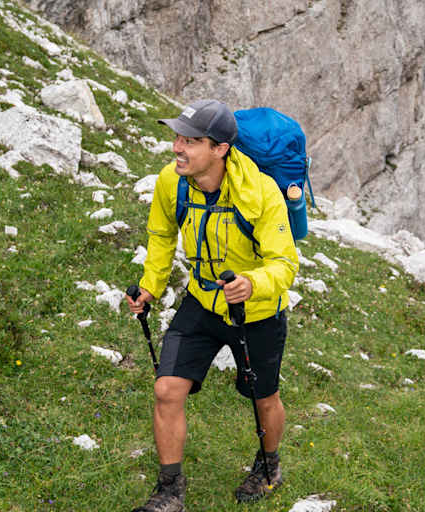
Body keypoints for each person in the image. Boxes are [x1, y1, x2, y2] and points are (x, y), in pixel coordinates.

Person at [126, 99, 298, 511]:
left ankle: (269, 466)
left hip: (256, 313)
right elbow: (162, 234)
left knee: (263, 396)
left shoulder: (259, 192)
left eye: (190, 141)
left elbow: (285, 262)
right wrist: (150, 286)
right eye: (177, 138)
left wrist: (251, 283)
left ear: (220, 148)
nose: (177, 148)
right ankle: (170, 491)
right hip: (202, 302)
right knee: (166, 390)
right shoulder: (172, 181)